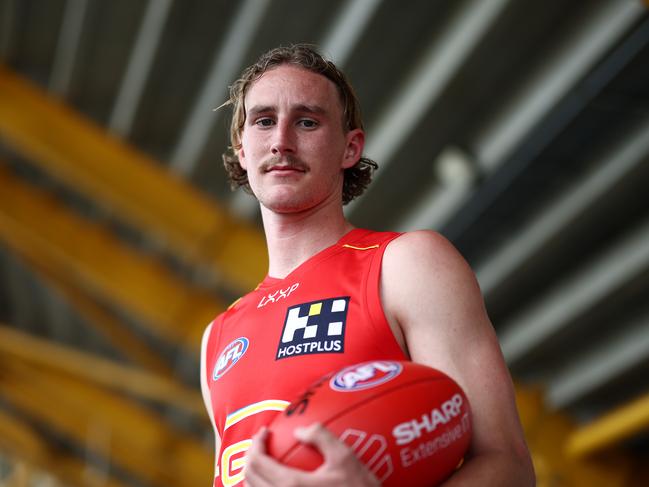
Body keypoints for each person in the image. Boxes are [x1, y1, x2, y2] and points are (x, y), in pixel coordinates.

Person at [200, 44, 534, 487]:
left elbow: (508, 468)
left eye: (306, 121)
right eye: (263, 121)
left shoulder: (407, 264)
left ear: (350, 147)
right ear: (242, 150)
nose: (281, 140)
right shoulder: (217, 338)